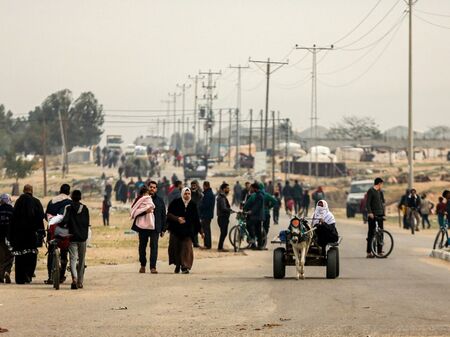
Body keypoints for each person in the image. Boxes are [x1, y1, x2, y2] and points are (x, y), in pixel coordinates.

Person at [9, 185, 45, 284]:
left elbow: (13, 219)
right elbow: (40, 217)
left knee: (20, 256)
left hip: (19, 234)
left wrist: (11, 235)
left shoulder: (18, 202)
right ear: (31, 191)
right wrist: (41, 232)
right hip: (32, 234)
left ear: (24, 191)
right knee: (31, 254)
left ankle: (19, 278)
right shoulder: (36, 201)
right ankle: (28, 275)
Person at [167, 188, 202, 274]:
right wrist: (177, 219)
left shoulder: (193, 205)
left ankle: (185, 266)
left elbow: (196, 219)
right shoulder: (176, 202)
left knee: (186, 248)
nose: (187, 195)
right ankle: (178, 265)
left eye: (188, 194)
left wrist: (201, 231)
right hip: (176, 230)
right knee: (176, 249)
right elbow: (169, 214)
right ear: (182, 194)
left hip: (188, 231)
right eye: (185, 194)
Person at [44, 184, 72, 285]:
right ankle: (61, 276)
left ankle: (50, 276)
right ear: (69, 192)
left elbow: (46, 215)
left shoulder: (52, 200)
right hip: (64, 230)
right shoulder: (70, 202)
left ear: (60, 191)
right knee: (64, 251)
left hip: (52, 229)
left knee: (51, 250)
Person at [62, 190, 90, 290]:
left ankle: (74, 278)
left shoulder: (68, 208)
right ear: (80, 198)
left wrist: (60, 227)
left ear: (72, 197)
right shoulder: (85, 209)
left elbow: (65, 221)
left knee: (73, 259)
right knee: (82, 260)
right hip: (82, 237)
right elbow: (87, 223)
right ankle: (80, 282)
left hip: (72, 237)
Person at [131, 186, 156, 273]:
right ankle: (143, 265)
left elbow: (159, 211)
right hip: (142, 227)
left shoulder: (155, 200)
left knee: (153, 247)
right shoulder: (139, 200)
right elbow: (135, 212)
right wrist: (145, 211)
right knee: (142, 247)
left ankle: (153, 267)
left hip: (153, 227)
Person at [365, 178, 385, 258]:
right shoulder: (371, 191)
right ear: (379, 183)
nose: (382, 186)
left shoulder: (380, 192)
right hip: (372, 215)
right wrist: (370, 212)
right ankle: (369, 252)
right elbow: (368, 203)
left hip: (380, 214)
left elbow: (382, 203)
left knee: (381, 233)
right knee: (371, 233)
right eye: (382, 184)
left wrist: (383, 214)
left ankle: (379, 252)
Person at [243, 183, 265, 249]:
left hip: (257, 216)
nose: (250, 189)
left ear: (255, 188)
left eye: (251, 188)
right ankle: (259, 245)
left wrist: (251, 211)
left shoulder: (259, 195)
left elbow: (257, 206)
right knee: (258, 230)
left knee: (249, 225)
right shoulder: (258, 194)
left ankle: (253, 239)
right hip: (258, 215)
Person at [0, 194, 13, 284]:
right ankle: (7, 272)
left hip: (0, 237)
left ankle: (0, 276)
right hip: (10, 237)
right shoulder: (13, 210)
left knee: (0, 257)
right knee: (10, 256)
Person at [216, 183, 233, 252]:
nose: (228, 190)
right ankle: (220, 247)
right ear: (223, 189)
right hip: (223, 218)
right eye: (227, 188)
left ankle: (220, 247)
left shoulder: (222, 196)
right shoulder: (222, 197)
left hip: (222, 217)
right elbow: (223, 208)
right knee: (223, 233)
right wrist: (230, 210)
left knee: (224, 233)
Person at [199, 181, 215, 249]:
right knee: (206, 229)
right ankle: (207, 244)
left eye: (203, 186)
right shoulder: (208, 193)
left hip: (206, 214)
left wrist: (200, 206)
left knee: (206, 230)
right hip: (207, 214)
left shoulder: (208, 194)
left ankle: (207, 245)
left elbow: (206, 205)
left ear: (205, 186)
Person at [190, 180, 203, 248]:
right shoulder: (188, 192)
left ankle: (195, 243)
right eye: (192, 185)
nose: (193, 187)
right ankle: (191, 242)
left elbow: (201, 203)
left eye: (195, 185)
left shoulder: (199, 194)